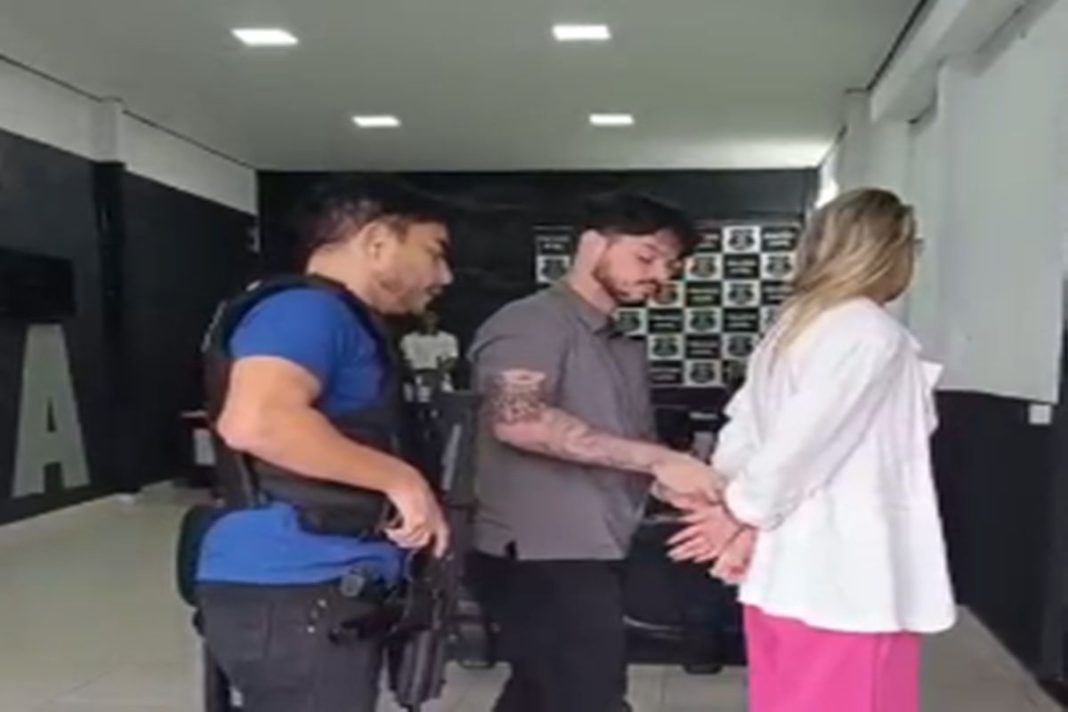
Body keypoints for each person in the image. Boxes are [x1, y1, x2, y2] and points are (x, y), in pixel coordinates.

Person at [668, 188, 957, 712]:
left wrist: (733, 513)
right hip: (847, 578)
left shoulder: (795, 326)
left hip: (787, 569)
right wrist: (736, 516)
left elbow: (746, 432)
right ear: (890, 252)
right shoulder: (867, 332)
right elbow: (800, 445)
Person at [194, 177, 454, 712]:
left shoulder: (343, 320)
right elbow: (258, 420)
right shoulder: (306, 311)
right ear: (378, 241)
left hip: (321, 589)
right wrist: (402, 481)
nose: (443, 276)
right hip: (295, 587)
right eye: (434, 252)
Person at [468, 192, 721, 712]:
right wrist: (657, 460)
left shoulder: (617, 342)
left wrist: (672, 481)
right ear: (591, 245)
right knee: (588, 696)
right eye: (646, 256)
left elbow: (615, 447)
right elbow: (518, 421)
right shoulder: (532, 322)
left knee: (541, 694)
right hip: (541, 554)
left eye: (670, 266)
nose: (660, 276)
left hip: (596, 544)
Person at [401, 310, 460, 397]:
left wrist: (438, 374)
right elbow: (408, 361)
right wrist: (422, 377)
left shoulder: (448, 338)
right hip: (419, 378)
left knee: (447, 400)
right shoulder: (409, 339)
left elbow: (452, 359)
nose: (427, 321)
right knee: (422, 401)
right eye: (424, 318)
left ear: (437, 319)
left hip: (441, 377)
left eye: (431, 317)